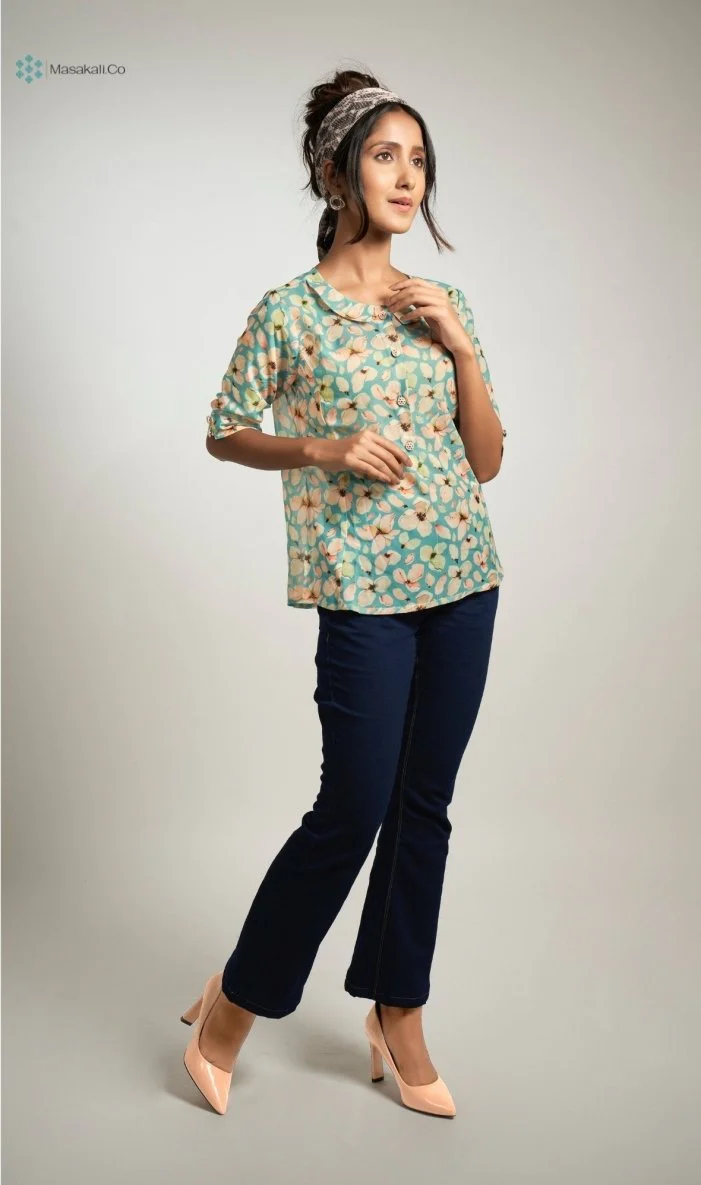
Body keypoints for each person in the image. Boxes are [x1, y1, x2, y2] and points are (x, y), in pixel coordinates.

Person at [183, 68, 507, 1118]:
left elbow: (487, 459)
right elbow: (225, 430)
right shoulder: (291, 313)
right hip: (361, 592)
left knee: (424, 809)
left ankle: (396, 1009)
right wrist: (321, 447)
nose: (407, 177)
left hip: (463, 581)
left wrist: (458, 346)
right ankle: (236, 1003)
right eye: (384, 156)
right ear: (336, 175)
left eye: (419, 160)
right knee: (352, 807)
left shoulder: (441, 306)